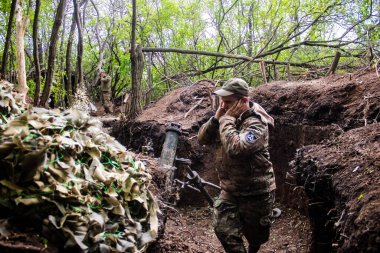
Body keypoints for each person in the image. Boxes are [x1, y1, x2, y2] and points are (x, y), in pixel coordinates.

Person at [198, 77, 276, 253]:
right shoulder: (224, 116)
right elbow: (202, 139)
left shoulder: (257, 123)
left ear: (243, 101)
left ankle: (253, 248)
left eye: (227, 102)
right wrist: (217, 118)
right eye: (221, 102)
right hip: (230, 190)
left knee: (256, 236)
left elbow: (237, 148)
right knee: (223, 229)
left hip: (257, 192)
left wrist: (226, 121)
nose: (223, 106)